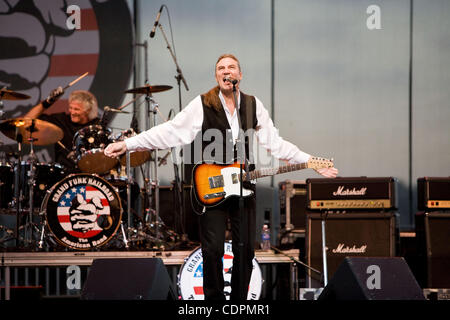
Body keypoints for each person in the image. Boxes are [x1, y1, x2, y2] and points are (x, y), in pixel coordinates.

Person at [104, 53, 339, 300]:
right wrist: (129, 144)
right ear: (217, 76)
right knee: (213, 249)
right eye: (221, 68)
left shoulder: (252, 104)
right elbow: (172, 131)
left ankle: (238, 303)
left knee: (246, 250)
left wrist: (311, 161)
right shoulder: (203, 103)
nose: (226, 71)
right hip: (212, 186)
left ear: (240, 75)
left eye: (231, 67)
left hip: (244, 187)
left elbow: (276, 145)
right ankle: (214, 303)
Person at [24, 88, 100, 172]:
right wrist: (48, 102)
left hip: (91, 174)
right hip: (64, 175)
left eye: (76, 109)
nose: (72, 112)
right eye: (70, 108)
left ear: (88, 110)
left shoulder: (97, 126)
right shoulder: (62, 120)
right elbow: (27, 120)